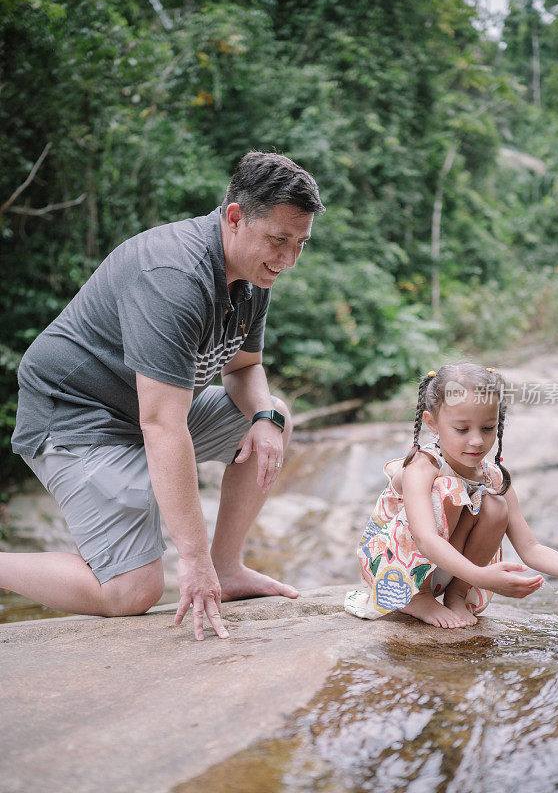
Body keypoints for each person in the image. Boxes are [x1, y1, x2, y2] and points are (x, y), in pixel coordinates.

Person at [2, 151, 325, 640]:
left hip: (146, 412)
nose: (288, 260)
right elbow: (162, 426)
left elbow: (245, 367)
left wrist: (265, 419)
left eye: (300, 244)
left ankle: (229, 566)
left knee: (273, 413)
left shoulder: (254, 274)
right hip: (76, 420)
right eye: (279, 241)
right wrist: (192, 565)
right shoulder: (173, 276)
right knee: (132, 593)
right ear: (234, 218)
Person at [344, 361, 558, 627]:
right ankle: (420, 598)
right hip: (393, 570)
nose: (476, 440)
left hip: (451, 568)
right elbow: (425, 539)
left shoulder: (492, 475)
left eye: (488, 428)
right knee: (448, 490)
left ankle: (457, 595)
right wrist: (481, 576)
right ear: (432, 422)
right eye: (462, 429)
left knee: (497, 506)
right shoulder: (422, 466)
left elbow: (530, 547)